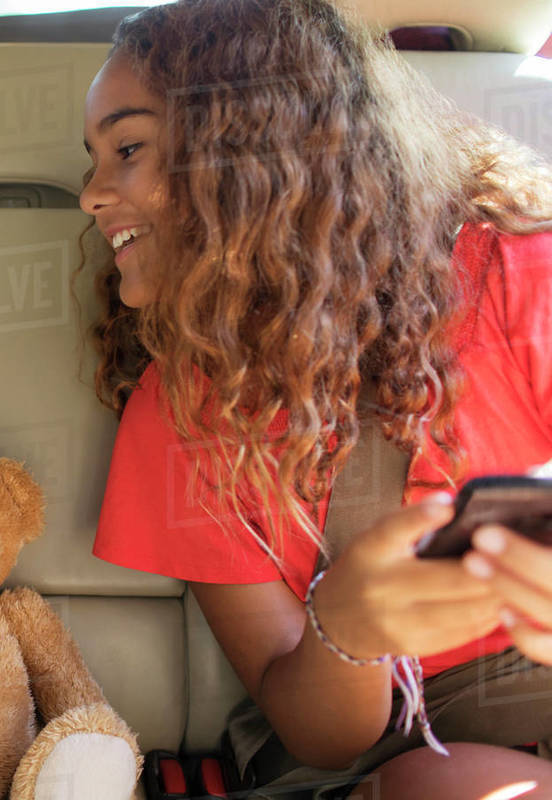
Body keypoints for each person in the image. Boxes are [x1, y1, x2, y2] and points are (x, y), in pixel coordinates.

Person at [80, 1, 552, 798]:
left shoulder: (518, 274)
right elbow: (321, 739)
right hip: (397, 761)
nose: (92, 194)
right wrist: (349, 629)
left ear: (249, 151)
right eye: (92, 159)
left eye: (127, 149)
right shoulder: (179, 411)